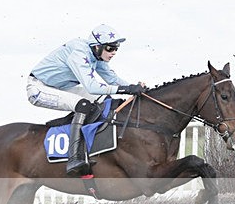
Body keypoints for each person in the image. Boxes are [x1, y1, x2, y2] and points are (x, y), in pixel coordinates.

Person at [26, 24, 147, 176]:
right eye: (110, 48)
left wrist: (134, 87)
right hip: (39, 89)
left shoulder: (96, 55)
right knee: (83, 105)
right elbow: (91, 86)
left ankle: (98, 147)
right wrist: (126, 89)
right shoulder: (79, 52)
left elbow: (112, 79)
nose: (114, 52)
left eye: (116, 48)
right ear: (97, 46)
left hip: (62, 88)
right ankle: (74, 159)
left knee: (104, 99)